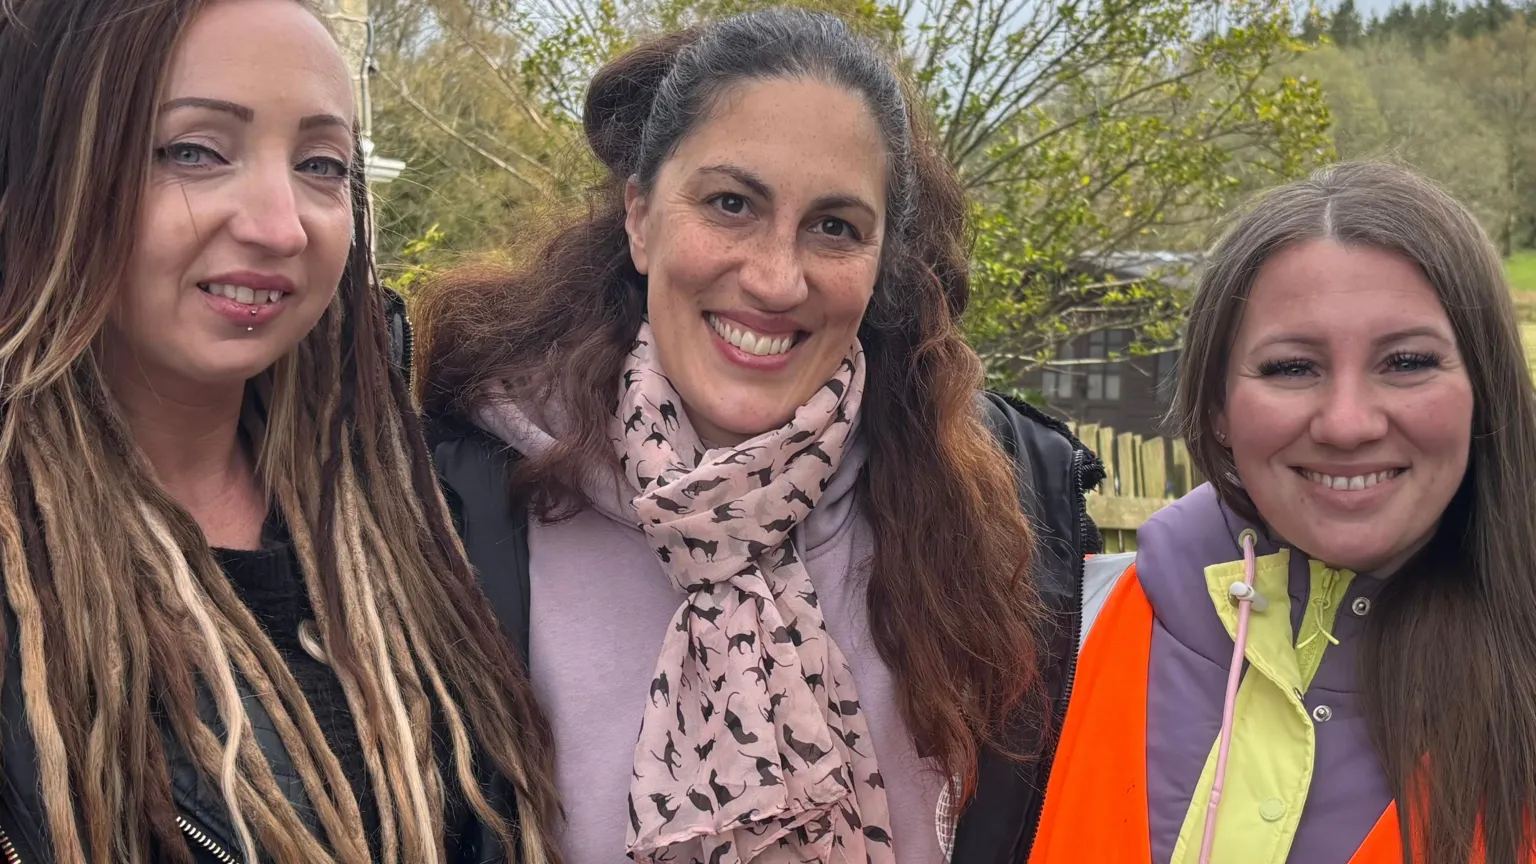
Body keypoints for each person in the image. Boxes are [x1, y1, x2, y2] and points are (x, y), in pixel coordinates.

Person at [413, 8, 1101, 862]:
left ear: (881, 259)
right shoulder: (454, 500)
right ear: (640, 216)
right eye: (732, 204)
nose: (777, 278)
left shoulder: (993, 521)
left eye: (835, 227)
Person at [0, 0, 563, 861]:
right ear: (53, 171)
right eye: (194, 150)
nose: (279, 225)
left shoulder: (435, 518)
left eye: (321, 165)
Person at [1028, 161, 1536, 864]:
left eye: (1409, 361)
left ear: (1486, 391)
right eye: (1292, 367)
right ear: (1217, 410)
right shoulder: (1061, 638)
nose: (1348, 423)